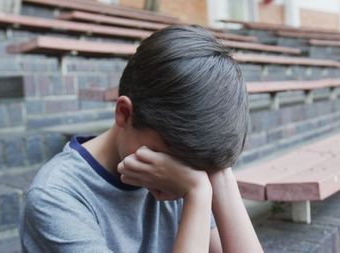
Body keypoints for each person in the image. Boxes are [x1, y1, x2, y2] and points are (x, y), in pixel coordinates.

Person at [20, 25, 263, 253]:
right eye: (174, 158)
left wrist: (219, 174)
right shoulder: (55, 196)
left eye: (196, 166)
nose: (186, 169)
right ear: (124, 113)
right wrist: (197, 195)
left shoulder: (185, 170)